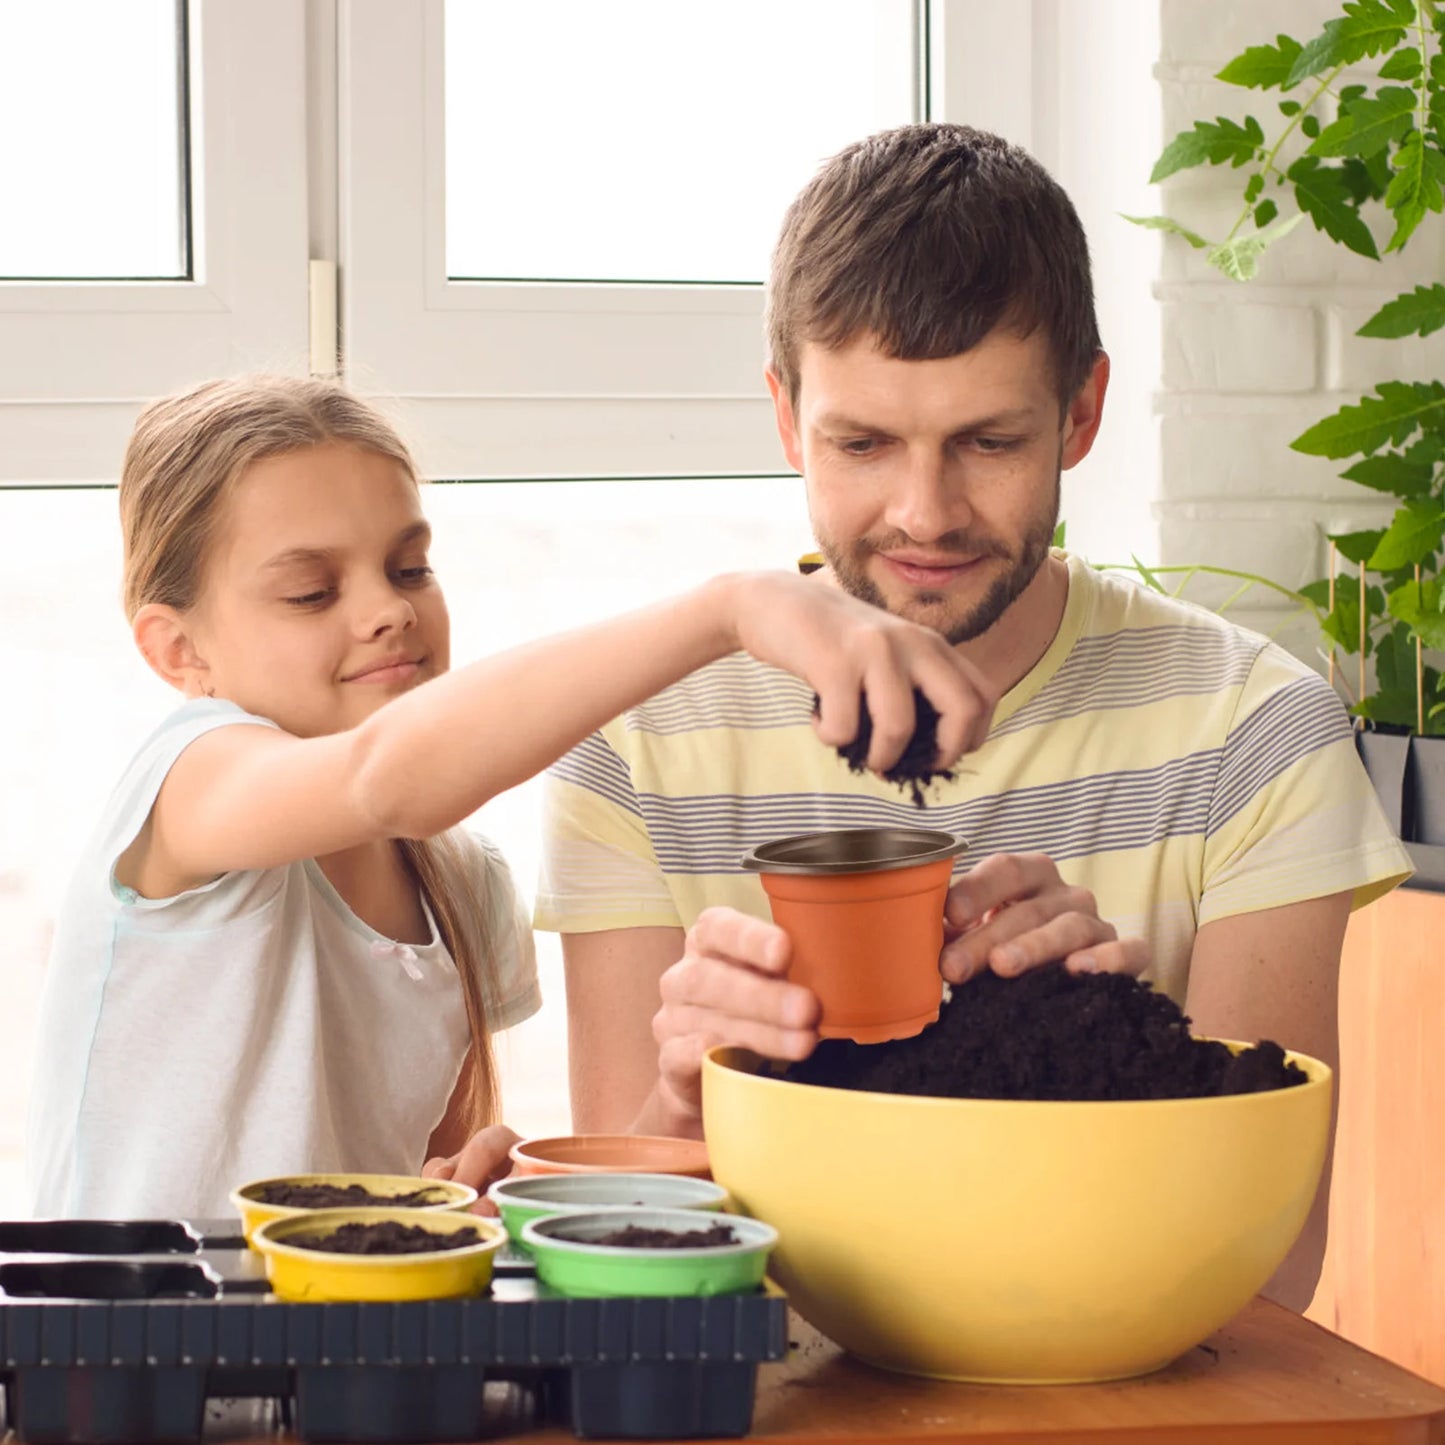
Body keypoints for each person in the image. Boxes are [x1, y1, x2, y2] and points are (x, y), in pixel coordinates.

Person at [535, 123, 1413, 1309]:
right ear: (788, 419)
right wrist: (688, 1096)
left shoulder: (1251, 731)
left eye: (986, 441)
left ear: (1079, 413)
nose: (924, 511)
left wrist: (1112, 1034)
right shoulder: (637, 740)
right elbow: (627, 1265)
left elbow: (1262, 1279)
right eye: (861, 443)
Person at [25, 373, 997, 1221]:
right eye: (311, 592)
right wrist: (730, 610)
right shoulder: (191, 784)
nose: (388, 609)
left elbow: (421, 1198)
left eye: (409, 566)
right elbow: (387, 777)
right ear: (178, 649)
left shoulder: (458, 883)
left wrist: (498, 1185)